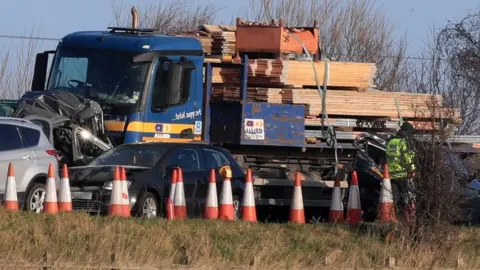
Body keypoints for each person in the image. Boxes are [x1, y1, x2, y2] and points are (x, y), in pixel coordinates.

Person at [386, 121, 416, 223]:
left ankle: (394, 219)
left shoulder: (391, 142)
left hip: (392, 175)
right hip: (404, 174)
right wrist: (412, 170)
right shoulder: (404, 142)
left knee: (394, 199)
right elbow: (408, 158)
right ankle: (408, 221)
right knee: (407, 199)